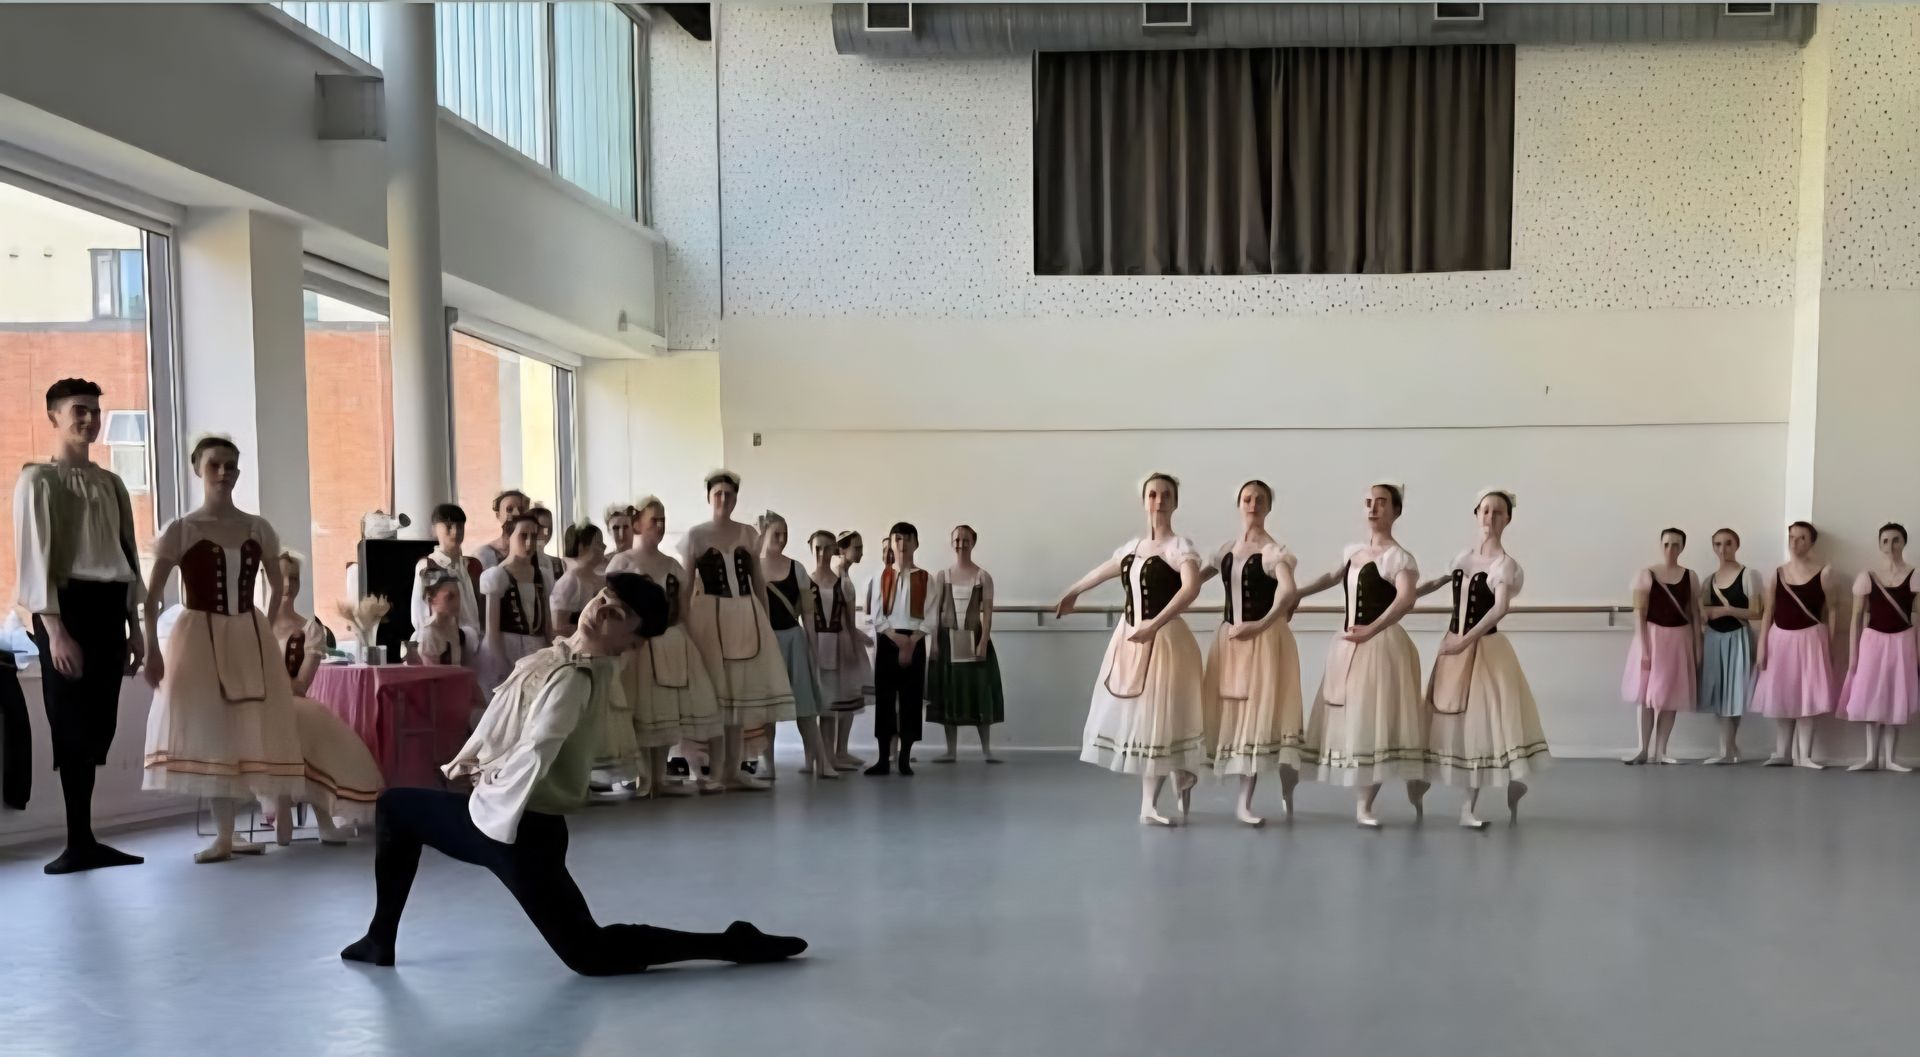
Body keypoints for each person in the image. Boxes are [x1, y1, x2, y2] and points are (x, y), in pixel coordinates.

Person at [338, 573, 808, 974]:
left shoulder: (576, 678)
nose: (601, 609)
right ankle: (380, 939)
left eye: (618, 613)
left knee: (590, 954)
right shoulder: (561, 659)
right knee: (396, 808)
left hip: (517, 829)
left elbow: (540, 744)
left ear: (632, 642)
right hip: (519, 822)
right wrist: (476, 762)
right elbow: (509, 714)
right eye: (604, 598)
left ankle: (730, 943)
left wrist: (492, 782)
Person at [141, 436, 308, 863]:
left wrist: (265, 629)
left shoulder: (258, 527)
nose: (224, 471)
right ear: (199, 468)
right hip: (197, 634)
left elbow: (276, 582)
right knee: (211, 729)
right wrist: (150, 648)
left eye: (231, 464)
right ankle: (223, 836)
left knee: (245, 728)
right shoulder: (181, 529)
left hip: (247, 632)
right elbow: (152, 595)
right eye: (215, 463)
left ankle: (236, 833)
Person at [12, 378, 148, 873]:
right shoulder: (37, 481)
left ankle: (86, 839)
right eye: (77, 410)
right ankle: (76, 842)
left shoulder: (111, 483)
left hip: (110, 606)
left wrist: (134, 625)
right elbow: (33, 559)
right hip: (67, 608)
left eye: (93, 410)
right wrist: (54, 629)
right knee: (70, 721)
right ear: (55, 416)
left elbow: (128, 553)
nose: (87, 418)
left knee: (98, 725)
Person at [1056, 473, 1207, 825]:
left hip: (1165, 641)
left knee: (1157, 716)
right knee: (1142, 718)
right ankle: (1178, 778)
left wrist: (1154, 624)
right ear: (1144, 501)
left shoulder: (1179, 547)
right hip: (1129, 640)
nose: (1158, 500)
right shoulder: (1133, 548)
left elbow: (1191, 588)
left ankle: (1151, 802)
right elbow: (1105, 571)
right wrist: (1073, 591)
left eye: (1165, 495)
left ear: (1174, 502)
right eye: (1152, 494)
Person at [1294, 482, 1430, 828]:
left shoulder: (1399, 558)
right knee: (1351, 716)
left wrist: (1373, 629)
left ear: (1396, 511)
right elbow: (1332, 576)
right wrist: (1297, 594)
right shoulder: (1353, 551)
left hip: (1382, 646)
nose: (1373, 508)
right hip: (1349, 644)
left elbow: (1406, 599)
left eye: (1382, 503)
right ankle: (1365, 796)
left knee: (1374, 720)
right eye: (1369, 503)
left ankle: (1365, 803)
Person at [1414, 489, 1549, 828]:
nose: (1490, 518)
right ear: (1477, 515)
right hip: (1453, 649)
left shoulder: (1505, 566)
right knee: (1442, 716)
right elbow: (1439, 581)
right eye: (1485, 511)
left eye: (1498, 512)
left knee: (1479, 728)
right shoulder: (1463, 557)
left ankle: (1468, 807)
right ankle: (1421, 782)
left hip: (1485, 651)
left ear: (1507, 519)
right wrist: (1407, 592)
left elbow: (1499, 608)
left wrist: (1465, 642)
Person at [680, 471, 794, 790]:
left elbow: (757, 580)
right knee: (717, 696)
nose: (723, 499)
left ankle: (733, 770)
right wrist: (684, 624)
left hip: (746, 613)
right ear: (709, 497)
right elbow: (688, 584)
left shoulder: (747, 533)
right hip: (710, 617)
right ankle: (716, 770)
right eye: (718, 494)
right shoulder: (696, 535)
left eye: (729, 494)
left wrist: (766, 622)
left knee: (740, 697)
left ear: (735, 498)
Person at [607, 496, 725, 796]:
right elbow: (613, 609)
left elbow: (684, 610)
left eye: (662, 520)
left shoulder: (673, 565)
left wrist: (693, 643)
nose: (659, 525)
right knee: (642, 710)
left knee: (665, 711)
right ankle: (643, 778)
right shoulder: (623, 563)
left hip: (673, 641)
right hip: (638, 646)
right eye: (653, 520)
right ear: (637, 524)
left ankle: (660, 777)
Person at [1201, 481, 1302, 826]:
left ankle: (1247, 801)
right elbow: (1191, 581)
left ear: (1269, 506)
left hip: (1263, 643)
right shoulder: (1226, 550)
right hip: (1229, 640)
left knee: (1257, 721)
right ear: (1239, 504)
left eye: (1260, 499)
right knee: (1224, 713)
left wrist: (1259, 626)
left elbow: (1288, 591)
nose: (1253, 504)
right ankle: (1192, 777)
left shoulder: (1274, 551)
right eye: (1247, 498)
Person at [269, 550, 382, 844]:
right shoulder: (255, 626)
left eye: (293, 578)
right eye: (280, 576)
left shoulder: (310, 629)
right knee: (282, 724)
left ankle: (316, 815)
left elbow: (302, 684)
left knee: (300, 726)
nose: (287, 584)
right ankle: (280, 802)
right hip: (257, 707)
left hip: (292, 704)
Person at [1750, 521, 1837, 768]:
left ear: (1811, 543)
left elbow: (1832, 610)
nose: (1795, 543)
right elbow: (1769, 612)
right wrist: (1762, 646)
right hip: (1781, 640)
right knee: (1782, 695)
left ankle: (1805, 755)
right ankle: (1783, 752)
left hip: (1811, 639)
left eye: (1801, 538)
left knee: (1808, 695)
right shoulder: (1777, 573)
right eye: (1791, 537)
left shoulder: (1824, 573)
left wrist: (1828, 645)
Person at [758, 512, 837, 778]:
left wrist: (813, 649)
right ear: (764, 534)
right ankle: (768, 767)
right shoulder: (753, 570)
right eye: (776, 533)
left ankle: (822, 762)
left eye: (785, 533)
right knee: (767, 709)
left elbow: (808, 615)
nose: (782, 538)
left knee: (806, 707)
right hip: (765, 644)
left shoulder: (797, 569)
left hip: (794, 639)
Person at [1837, 523, 1916, 771]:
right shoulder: (1867, 577)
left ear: (1904, 543)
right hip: (1873, 642)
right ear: (1879, 544)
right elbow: (1856, 618)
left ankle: (1891, 759)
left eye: (1895, 540)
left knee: (1896, 696)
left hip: (1903, 641)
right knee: (1871, 696)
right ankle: (1871, 757)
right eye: (1885, 541)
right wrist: (1853, 656)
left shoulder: (1914, 576)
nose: (1890, 546)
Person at [1621, 528, 1700, 765]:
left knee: (1670, 695)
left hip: (1679, 639)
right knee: (1647, 696)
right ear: (1660, 545)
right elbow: (1639, 614)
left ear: (1682, 548)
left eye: (1676, 545)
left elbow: (1694, 613)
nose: (1670, 549)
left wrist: (1698, 646)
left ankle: (1661, 750)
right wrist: (1644, 649)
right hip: (1652, 638)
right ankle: (1643, 748)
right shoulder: (1645, 574)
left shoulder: (1690, 576)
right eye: (1666, 544)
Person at [929, 525, 1006, 764]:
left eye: (965, 539)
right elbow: (935, 611)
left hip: (974, 638)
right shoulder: (943, 575)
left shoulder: (983, 576)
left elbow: (988, 613)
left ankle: (986, 750)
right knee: (949, 691)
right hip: (947, 639)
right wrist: (933, 642)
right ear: (951, 543)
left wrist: (984, 641)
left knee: (980, 692)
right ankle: (950, 750)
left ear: (973, 542)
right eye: (957, 539)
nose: (960, 543)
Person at [865, 522, 935, 776]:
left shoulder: (927, 578)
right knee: (884, 699)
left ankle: (904, 757)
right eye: (897, 539)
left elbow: (930, 617)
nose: (902, 545)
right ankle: (884, 758)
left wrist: (912, 641)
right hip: (888, 638)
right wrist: (896, 639)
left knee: (911, 698)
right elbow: (876, 614)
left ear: (916, 543)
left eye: (907, 539)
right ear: (891, 544)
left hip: (915, 639)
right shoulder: (879, 576)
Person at [1698, 528, 1761, 764]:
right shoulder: (1708, 581)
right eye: (1717, 544)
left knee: (1735, 691)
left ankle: (1729, 748)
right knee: (1717, 691)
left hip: (1738, 636)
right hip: (1714, 638)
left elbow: (1756, 612)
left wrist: (1725, 610)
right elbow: (1703, 612)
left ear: (1736, 545)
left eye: (1727, 544)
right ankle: (1727, 747)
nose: (1722, 549)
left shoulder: (1748, 576)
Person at [810, 530, 871, 771]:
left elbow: (849, 621)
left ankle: (840, 751)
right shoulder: (835, 577)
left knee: (848, 697)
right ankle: (831, 753)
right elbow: (839, 618)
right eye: (857, 547)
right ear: (842, 549)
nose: (861, 552)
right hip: (833, 641)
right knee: (835, 697)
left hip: (843, 639)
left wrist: (859, 638)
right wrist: (857, 639)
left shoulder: (843, 577)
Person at [479, 514, 551, 692]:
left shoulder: (542, 575)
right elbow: (492, 631)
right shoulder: (498, 575)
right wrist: (501, 662)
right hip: (508, 647)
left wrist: (551, 651)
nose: (529, 542)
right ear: (508, 538)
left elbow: (547, 622)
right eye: (523, 536)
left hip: (536, 648)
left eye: (533, 536)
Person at [410, 503, 482, 633]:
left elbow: (474, 609)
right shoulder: (428, 565)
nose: (455, 532)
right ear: (434, 530)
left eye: (460, 526)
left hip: (471, 640)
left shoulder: (468, 566)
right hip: (441, 640)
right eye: (448, 526)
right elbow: (419, 612)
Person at [550, 522, 609, 638]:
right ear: (582, 547)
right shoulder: (570, 581)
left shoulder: (596, 579)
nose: (604, 546)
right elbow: (558, 627)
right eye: (598, 543)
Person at [410, 574, 480, 669]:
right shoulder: (429, 633)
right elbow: (433, 675)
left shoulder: (453, 628)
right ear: (432, 601)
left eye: (458, 596)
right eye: (450, 597)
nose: (457, 602)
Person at [475, 490, 531, 570]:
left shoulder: (535, 554)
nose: (516, 514)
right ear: (498, 515)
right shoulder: (482, 555)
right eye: (509, 509)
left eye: (521, 509)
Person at [531, 505, 566, 584]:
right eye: (541, 528)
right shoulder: (521, 564)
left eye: (549, 529)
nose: (546, 534)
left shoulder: (557, 563)